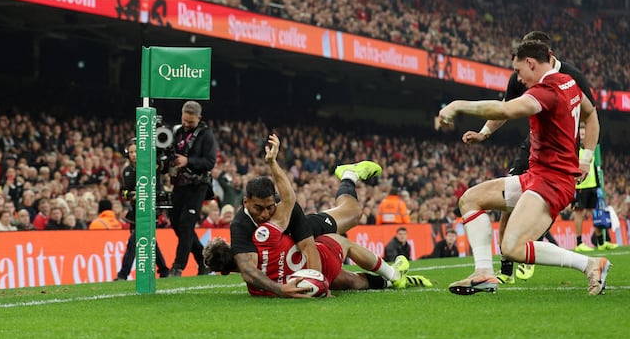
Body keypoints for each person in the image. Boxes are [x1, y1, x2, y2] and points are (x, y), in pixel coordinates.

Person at [438, 40, 610, 295]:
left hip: (553, 182)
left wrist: (458, 105)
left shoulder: (546, 91)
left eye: (519, 71)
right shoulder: (569, 82)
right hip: (537, 176)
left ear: (531, 63)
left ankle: (590, 264)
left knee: (512, 248)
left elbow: (506, 108)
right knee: (470, 199)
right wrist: (584, 158)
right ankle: (484, 273)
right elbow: (591, 114)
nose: (518, 78)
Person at [204, 134, 429, 296]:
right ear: (246, 203)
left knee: (353, 214)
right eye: (258, 209)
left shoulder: (283, 211)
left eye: (269, 207)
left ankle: (348, 175)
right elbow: (248, 270)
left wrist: (320, 286)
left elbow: (307, 244)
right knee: (348, 281)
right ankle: (392, 279)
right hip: (290, 257)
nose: (265, 213)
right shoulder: (241, 227)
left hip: (304, 229)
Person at [168, 101, 217, 277]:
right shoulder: (176, 132)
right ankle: (204, 261)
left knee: (187, 224)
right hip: (179, 184)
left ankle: (178, 267)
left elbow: (210, 162)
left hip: (198, 185)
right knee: (175, 222)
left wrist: (188, 161)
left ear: (199, 118)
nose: (187, 124)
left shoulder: (206, 135)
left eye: (191, 121)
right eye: (184, 120)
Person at [115, 139, 169, 280]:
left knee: (134, 241)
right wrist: (132, 195)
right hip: (135, 211)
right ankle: (164, 270)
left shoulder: (150, 166)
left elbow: (157, 184)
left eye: (136, 151)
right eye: (131, 152)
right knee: (150, 241)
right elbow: (124, 193)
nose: (133, 155)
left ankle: (123, 274)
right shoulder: (126, 171)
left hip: (151, 209)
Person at [572, 124, 617, 252]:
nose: (583, 136)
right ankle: (579, 242)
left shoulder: (590, 149)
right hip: (580, 186)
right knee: (579, 213)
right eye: (580, 134)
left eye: (584, 134)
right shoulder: (574, 150)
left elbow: (595, 167)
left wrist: (598, 185)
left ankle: (601, 242)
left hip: (592, 185)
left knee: (597, 213)